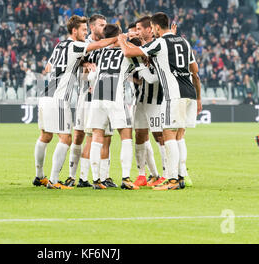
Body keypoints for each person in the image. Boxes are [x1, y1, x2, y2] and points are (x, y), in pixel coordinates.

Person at [118, 12, 202, 190]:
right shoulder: (184, 42)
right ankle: (180, 176)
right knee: (179, 136)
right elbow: (194, 69)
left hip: (174, 94)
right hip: (189, 92)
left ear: (155, 27)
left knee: (168, 135)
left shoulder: (159, 42)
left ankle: (172, 180)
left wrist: (121, 39)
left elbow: (127, 51)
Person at [33, 15, 118, 189]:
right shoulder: (76, 45)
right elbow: (99, 44)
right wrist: (118, 37)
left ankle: (39, 176)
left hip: (45, 94)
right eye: (83, 30)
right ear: (74, 31)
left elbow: (47, 68)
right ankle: (54, 180)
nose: (85, 32)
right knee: (66, 139)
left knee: (45, 136)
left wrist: (78, 64)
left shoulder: (59, 45)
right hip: (59, 98)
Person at [64, 14, 117, 188]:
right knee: (79, 135)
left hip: (103, 97)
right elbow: (72, 63)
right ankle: (74, 175)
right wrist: (84, 65)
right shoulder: (82, 45)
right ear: (92, 28)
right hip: (84, 98)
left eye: (105, 24)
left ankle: (104, 176)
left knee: (105, 138)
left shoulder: (108, 46)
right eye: (101, 25)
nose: (105, 27)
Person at [86, 24, 138, 190]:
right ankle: (126, 178)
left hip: (97, 98)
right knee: (126, 135)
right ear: (119, 35)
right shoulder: (127, 50)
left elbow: (91, 70)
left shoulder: (100, 52)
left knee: (96, 136)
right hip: (115, 97)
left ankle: (96, 180)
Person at [131, 16, 167, 187]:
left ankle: (167, 174)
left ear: (149, 29)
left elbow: (156, 78)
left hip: (155, 100)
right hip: (140, 99)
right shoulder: (139, 49)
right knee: (139, 135)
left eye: (139, 28)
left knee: (159, 135)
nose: (136, 32)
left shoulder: (158, 47)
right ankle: (142, 175)